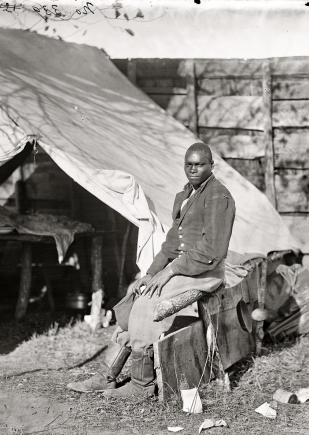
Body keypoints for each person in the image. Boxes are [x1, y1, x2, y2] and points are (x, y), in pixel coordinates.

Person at [67, 142, 236, 398]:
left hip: (204, 273)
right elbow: (170, 243)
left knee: (147, 305)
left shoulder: (218, 197)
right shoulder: (186, 194)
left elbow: (213, 251)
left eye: (199, 164)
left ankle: (141, 386)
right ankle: (107, 376)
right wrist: (150, 273)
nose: (193, 169)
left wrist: (169, 272)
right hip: (182, 269)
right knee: (136, 296)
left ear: (212, 166)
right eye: (188, 165)